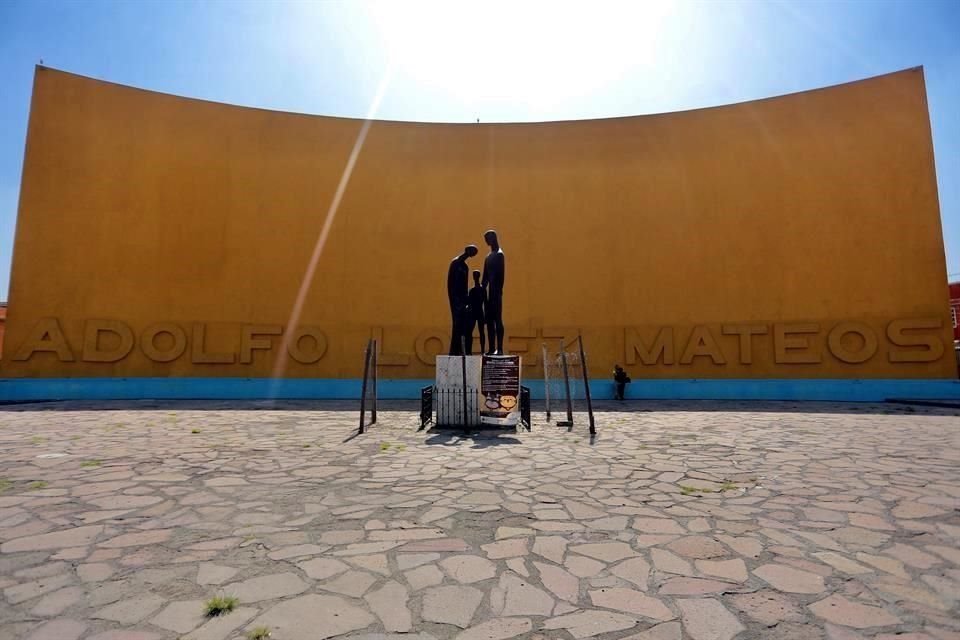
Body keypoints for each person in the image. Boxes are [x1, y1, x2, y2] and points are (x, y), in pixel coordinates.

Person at [447, 245, 478, 355]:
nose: (472, 255)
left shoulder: (465, 267)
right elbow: (451, 284)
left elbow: (464, 286)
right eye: (472, 252)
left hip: (462, 301)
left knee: (461, 326)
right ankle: (454, 351)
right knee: (457, 324)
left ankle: (459, 349)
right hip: (455, 300)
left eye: (474, 254)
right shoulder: (455, 263)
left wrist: (466, 301)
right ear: (467, 250)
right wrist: (456, 301)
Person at [481, 229, 505, 355]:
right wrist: (481, 290)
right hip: (489, 295)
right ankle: (491, 348)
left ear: (493, 239)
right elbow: (485, 278)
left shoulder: (499, 255)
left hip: (496, 293)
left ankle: (500, 348)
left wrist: (497, 293)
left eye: (488, 239)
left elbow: (501, 277)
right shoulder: (488, 257)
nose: (487, 242)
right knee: (489, 322)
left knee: (497, 320)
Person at [468, 270, 486, 355]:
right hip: (473, 313)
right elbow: (469, 303)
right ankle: (469, 351)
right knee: (469, 332)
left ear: (478, 276)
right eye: (473, 275)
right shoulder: (472, 290)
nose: (474, 277)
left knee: (481, 331)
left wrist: (486, 315)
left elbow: (485, 302)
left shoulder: (482, 290)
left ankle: (483, 351)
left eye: (475, 275)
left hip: (479, 312)